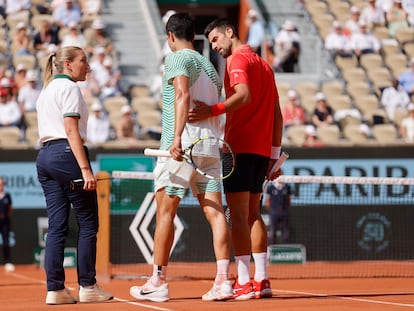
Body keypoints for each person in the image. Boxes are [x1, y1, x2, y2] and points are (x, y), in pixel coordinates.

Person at [129, 12, 232, 303]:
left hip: (183, 147)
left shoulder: (176, 58)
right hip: (210, 146)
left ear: (171, 36)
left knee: (165, 210)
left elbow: (182, 96)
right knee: (215, 213)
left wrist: (175, 138)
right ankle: (223, 281)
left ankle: (158, 281)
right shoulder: (211, 68)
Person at [189, 18, 283, 300]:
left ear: (230, 32)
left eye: (216, 39)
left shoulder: (237, 61)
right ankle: (262, 279)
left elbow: (243, 95)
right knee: (253, 214)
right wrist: (274, 156)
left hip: (240, 148)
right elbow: (277, 114)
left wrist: (212, 110)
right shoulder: (264, 64)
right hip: (262, 150)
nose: (215, 46)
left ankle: (243, 281)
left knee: (239, 216)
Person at [35, 46, 113, 305]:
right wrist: (85, 169)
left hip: (45, 157)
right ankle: (88, 286)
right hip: (67, 155)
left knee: (57, 225)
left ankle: (55, 289)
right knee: (88, 223)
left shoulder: (45, 91)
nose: (88, 66)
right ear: (67, 64)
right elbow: (70, 129)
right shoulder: (69, 88)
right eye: (83, 61)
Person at [265, 173, 291, 244]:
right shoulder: (271, 187)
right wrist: (271, 210)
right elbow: (267, 200)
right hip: (274, 211)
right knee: (272, 230)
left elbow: (289, 199)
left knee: (285, 230)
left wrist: (285, 208)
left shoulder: (287, 187)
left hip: (284, 211)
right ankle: (271, 245)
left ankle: (286, 246)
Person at [0, 177, 15, 273]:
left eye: (2, 184)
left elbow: (10, 209)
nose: (0, 186)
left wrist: (5, 217)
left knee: (6, 242)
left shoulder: (7, 195)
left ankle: (8, 262)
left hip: (5, 223)